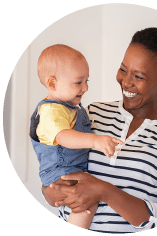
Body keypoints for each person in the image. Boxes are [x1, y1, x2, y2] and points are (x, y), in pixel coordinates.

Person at [42, 28, 157, 233]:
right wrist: (48, 192)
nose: (126, 82)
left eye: (139, 76)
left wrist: (104, 191)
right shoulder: (90, 114)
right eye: (123, 70)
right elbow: (57, 164)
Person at [29, 44, 123, 229]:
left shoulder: (71, 107)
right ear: (52, 84)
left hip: (72, 168)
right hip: (59, 171)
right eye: (78, 82)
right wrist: (96, 140)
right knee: (87, 200)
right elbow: (64, 137)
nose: (85, 87)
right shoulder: (50, 111)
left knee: (88, 194)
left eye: (87, 81)